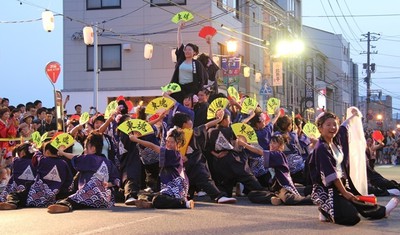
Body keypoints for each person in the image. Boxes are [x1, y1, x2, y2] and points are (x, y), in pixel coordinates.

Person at [308, 112, 399, 226]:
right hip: (327, 191)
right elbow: (331, 174)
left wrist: (352, 117)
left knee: (356, 200)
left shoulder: (334, 141)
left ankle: (382, 211)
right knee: (352, 217)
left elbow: (343, 128)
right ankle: (326, 210)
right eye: (328, 125)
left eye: (334, 124)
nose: (332, 127)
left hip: (340, 185)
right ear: (320, 128)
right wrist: (345, 193)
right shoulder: (322, 148)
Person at [47, 131, 120, 213]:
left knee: (75, 199)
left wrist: (63, 153)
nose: (84, 150)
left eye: (86, 147)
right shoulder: (108, 162)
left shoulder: (89, 158)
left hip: (88, 195)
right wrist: (108, 184)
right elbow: (116, 180)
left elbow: (75, 157)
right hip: (105, 199)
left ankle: (66, 205)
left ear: (93, 149)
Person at [238, 134, 313, 205]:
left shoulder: (278, 154)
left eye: (274, 143)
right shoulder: (273, 154)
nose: (271, 145)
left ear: (281, 146)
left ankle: (311, 200)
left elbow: (259, 151)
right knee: (252, 194)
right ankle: (274, 199)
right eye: (271, 142)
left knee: (288, 199)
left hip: (284, 187)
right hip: (276, 189)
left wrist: (244, 144)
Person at [129, 128, 194, 209]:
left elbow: (152, 146)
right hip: (170, 187)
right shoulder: (174, 153)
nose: (169, 144)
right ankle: (151, 203)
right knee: (144, 195)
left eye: (172, 142)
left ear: (178, 143)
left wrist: (137, 140)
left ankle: (183, 203)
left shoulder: (172, 153)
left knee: (158, 200)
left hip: (176, 188)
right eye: (167, 142)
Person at [170, 22, 208, 104]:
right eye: (185, 49)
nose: (187, 51)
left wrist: (197, 94)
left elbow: (201, 80)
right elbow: (179, 43)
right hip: (179, 88)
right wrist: (179, 29)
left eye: (189, 50)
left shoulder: (197, 63)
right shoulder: (181, 59)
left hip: (191, 90)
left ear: (194, 52)